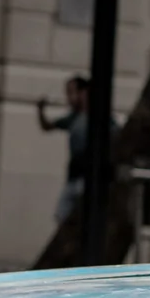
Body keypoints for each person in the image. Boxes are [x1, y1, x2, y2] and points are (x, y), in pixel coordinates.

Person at [36, 76, 89, 227]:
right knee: (62, 215)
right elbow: (47, 126)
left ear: (84, 93)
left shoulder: (97, 119)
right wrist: (40, 111)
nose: (69, 98)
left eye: (71, 93)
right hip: (73, 177)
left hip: (86, 177)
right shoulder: (73, 118)